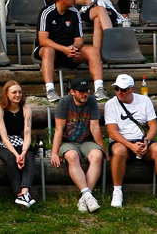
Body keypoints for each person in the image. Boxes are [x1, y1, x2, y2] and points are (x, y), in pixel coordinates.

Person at [36, 0, 106, 102]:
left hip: (70, 52)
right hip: (52, 52)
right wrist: (64, 49)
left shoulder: (74, 13)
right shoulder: (46, 12)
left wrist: (73, 47)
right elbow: (43, 40)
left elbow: (79, 39)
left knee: (93, 51)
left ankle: (99, 88)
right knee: (48, 50)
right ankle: (50, 90)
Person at [105, 73, 157, 208]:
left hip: (142, 140)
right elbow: (112, 132)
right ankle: (117, 191)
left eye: (123, 89)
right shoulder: (110, 104)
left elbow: (153, 126)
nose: (119, 92)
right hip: (122, 142)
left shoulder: (145, 101)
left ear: (132, 89)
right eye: (117, 89)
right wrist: (130, 146)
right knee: (119, 151)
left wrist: (146, 141)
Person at [51, 76, 104, 213]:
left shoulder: (91, 101)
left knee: (97, 155)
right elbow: (58, 129)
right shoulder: (64, 102)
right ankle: (88, 195)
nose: (85, 94)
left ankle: (85, 197)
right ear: (72, 92)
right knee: (72, 156)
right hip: (67, 142)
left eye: (86, 90)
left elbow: (95, 128)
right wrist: (54, 152)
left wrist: (103, 150)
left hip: (86, 141)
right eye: (81, 91)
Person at [0, 80, 37, 208]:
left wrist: (23, 153)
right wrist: (16, 154)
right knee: (11, 158)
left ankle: (25, 192)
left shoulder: (26, 107)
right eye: (14, 92)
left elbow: (27, 134)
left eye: (20, 92)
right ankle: (19, 194)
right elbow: (4, 136)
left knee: (29, 156)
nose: (17, 95)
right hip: (2, 144)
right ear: (7, 94)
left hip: (20, 140)